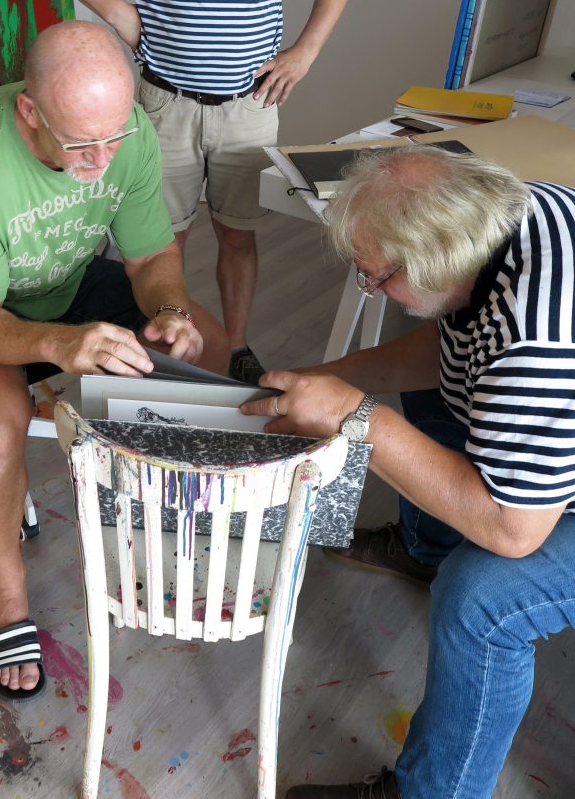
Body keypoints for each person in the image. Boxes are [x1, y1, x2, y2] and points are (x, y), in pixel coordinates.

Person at [241, 146, 575, 798]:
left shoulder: (536, 339)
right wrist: (328, 378)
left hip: (527, 506)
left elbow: (513, 531)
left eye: (377, 277)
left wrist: (358, 417)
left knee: (482, 597)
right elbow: (451, 347)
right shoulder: (508, 214)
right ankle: (427, 549)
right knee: (442, 390)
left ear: (437, 259)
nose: (369, 288)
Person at [0, 20, 230, 703]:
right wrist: (61, 343)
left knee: (209, 343)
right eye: (83, 145)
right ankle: (9, 592)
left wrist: (170, 309)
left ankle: (185, 516)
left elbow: (150, 256)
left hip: (68, 274)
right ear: (30, 111)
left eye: (115, 136)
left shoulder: (128, 133)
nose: (104, 160)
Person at [41, 0, 357, 386]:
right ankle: (159, 358)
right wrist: (116, 12)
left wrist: (305, 52)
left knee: (238, 235)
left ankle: (234, 347)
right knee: (159, 244)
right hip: (166, 103)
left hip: (249, 105)